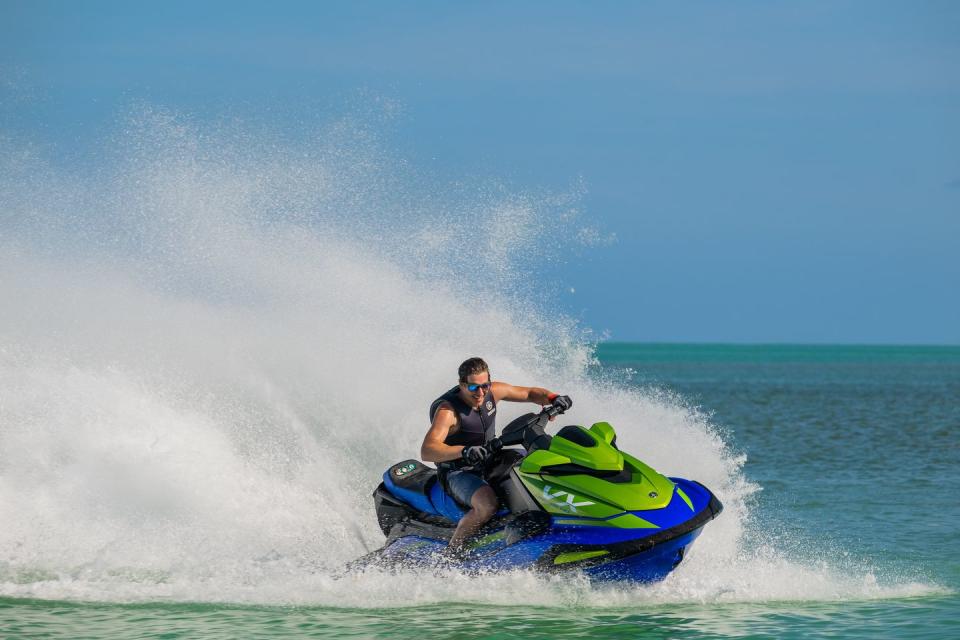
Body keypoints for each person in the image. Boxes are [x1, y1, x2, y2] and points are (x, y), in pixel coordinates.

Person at [420, 357, 572, 552]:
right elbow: (428, 449)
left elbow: (529, 393)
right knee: (487, 504)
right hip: (459, 471)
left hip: (489, 459)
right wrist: (464, 451)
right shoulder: (448, 411)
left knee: (534, 466)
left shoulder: (493, 391)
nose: (481, 392)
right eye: (474, 388)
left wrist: (552, 398)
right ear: (462, 385)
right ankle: (452, 554)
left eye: (485, 385)